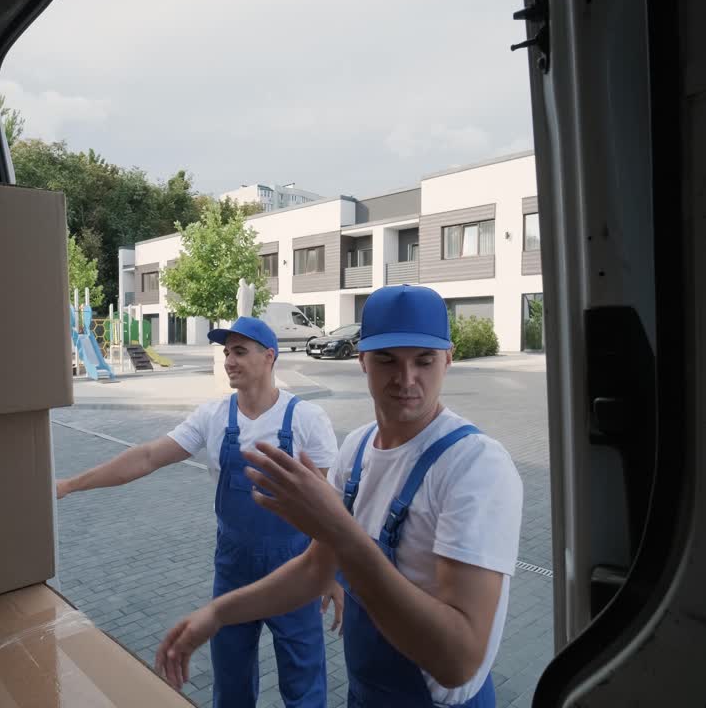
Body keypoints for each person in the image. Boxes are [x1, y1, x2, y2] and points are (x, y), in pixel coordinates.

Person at [155, 285, 524, 708]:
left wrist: (342, 532)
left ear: (448, 359)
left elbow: (459, 661)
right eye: (387, 360)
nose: (406, 379)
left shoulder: (475, 466)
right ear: (362, 360)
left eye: (424, 361)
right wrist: (219, 613)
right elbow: (316, 567)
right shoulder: (359, 448)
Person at [57, 316, 342, 708]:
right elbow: (148, 456)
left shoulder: (307, 420)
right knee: (231, 682)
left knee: (304, 683)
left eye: (239, 351)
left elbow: (328, 506)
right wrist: (70, 484)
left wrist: (332, 570)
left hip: (295, 569)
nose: (229, 360)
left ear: (269, 357)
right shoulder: (213, 417)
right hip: (233, 569)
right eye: (226, 353)